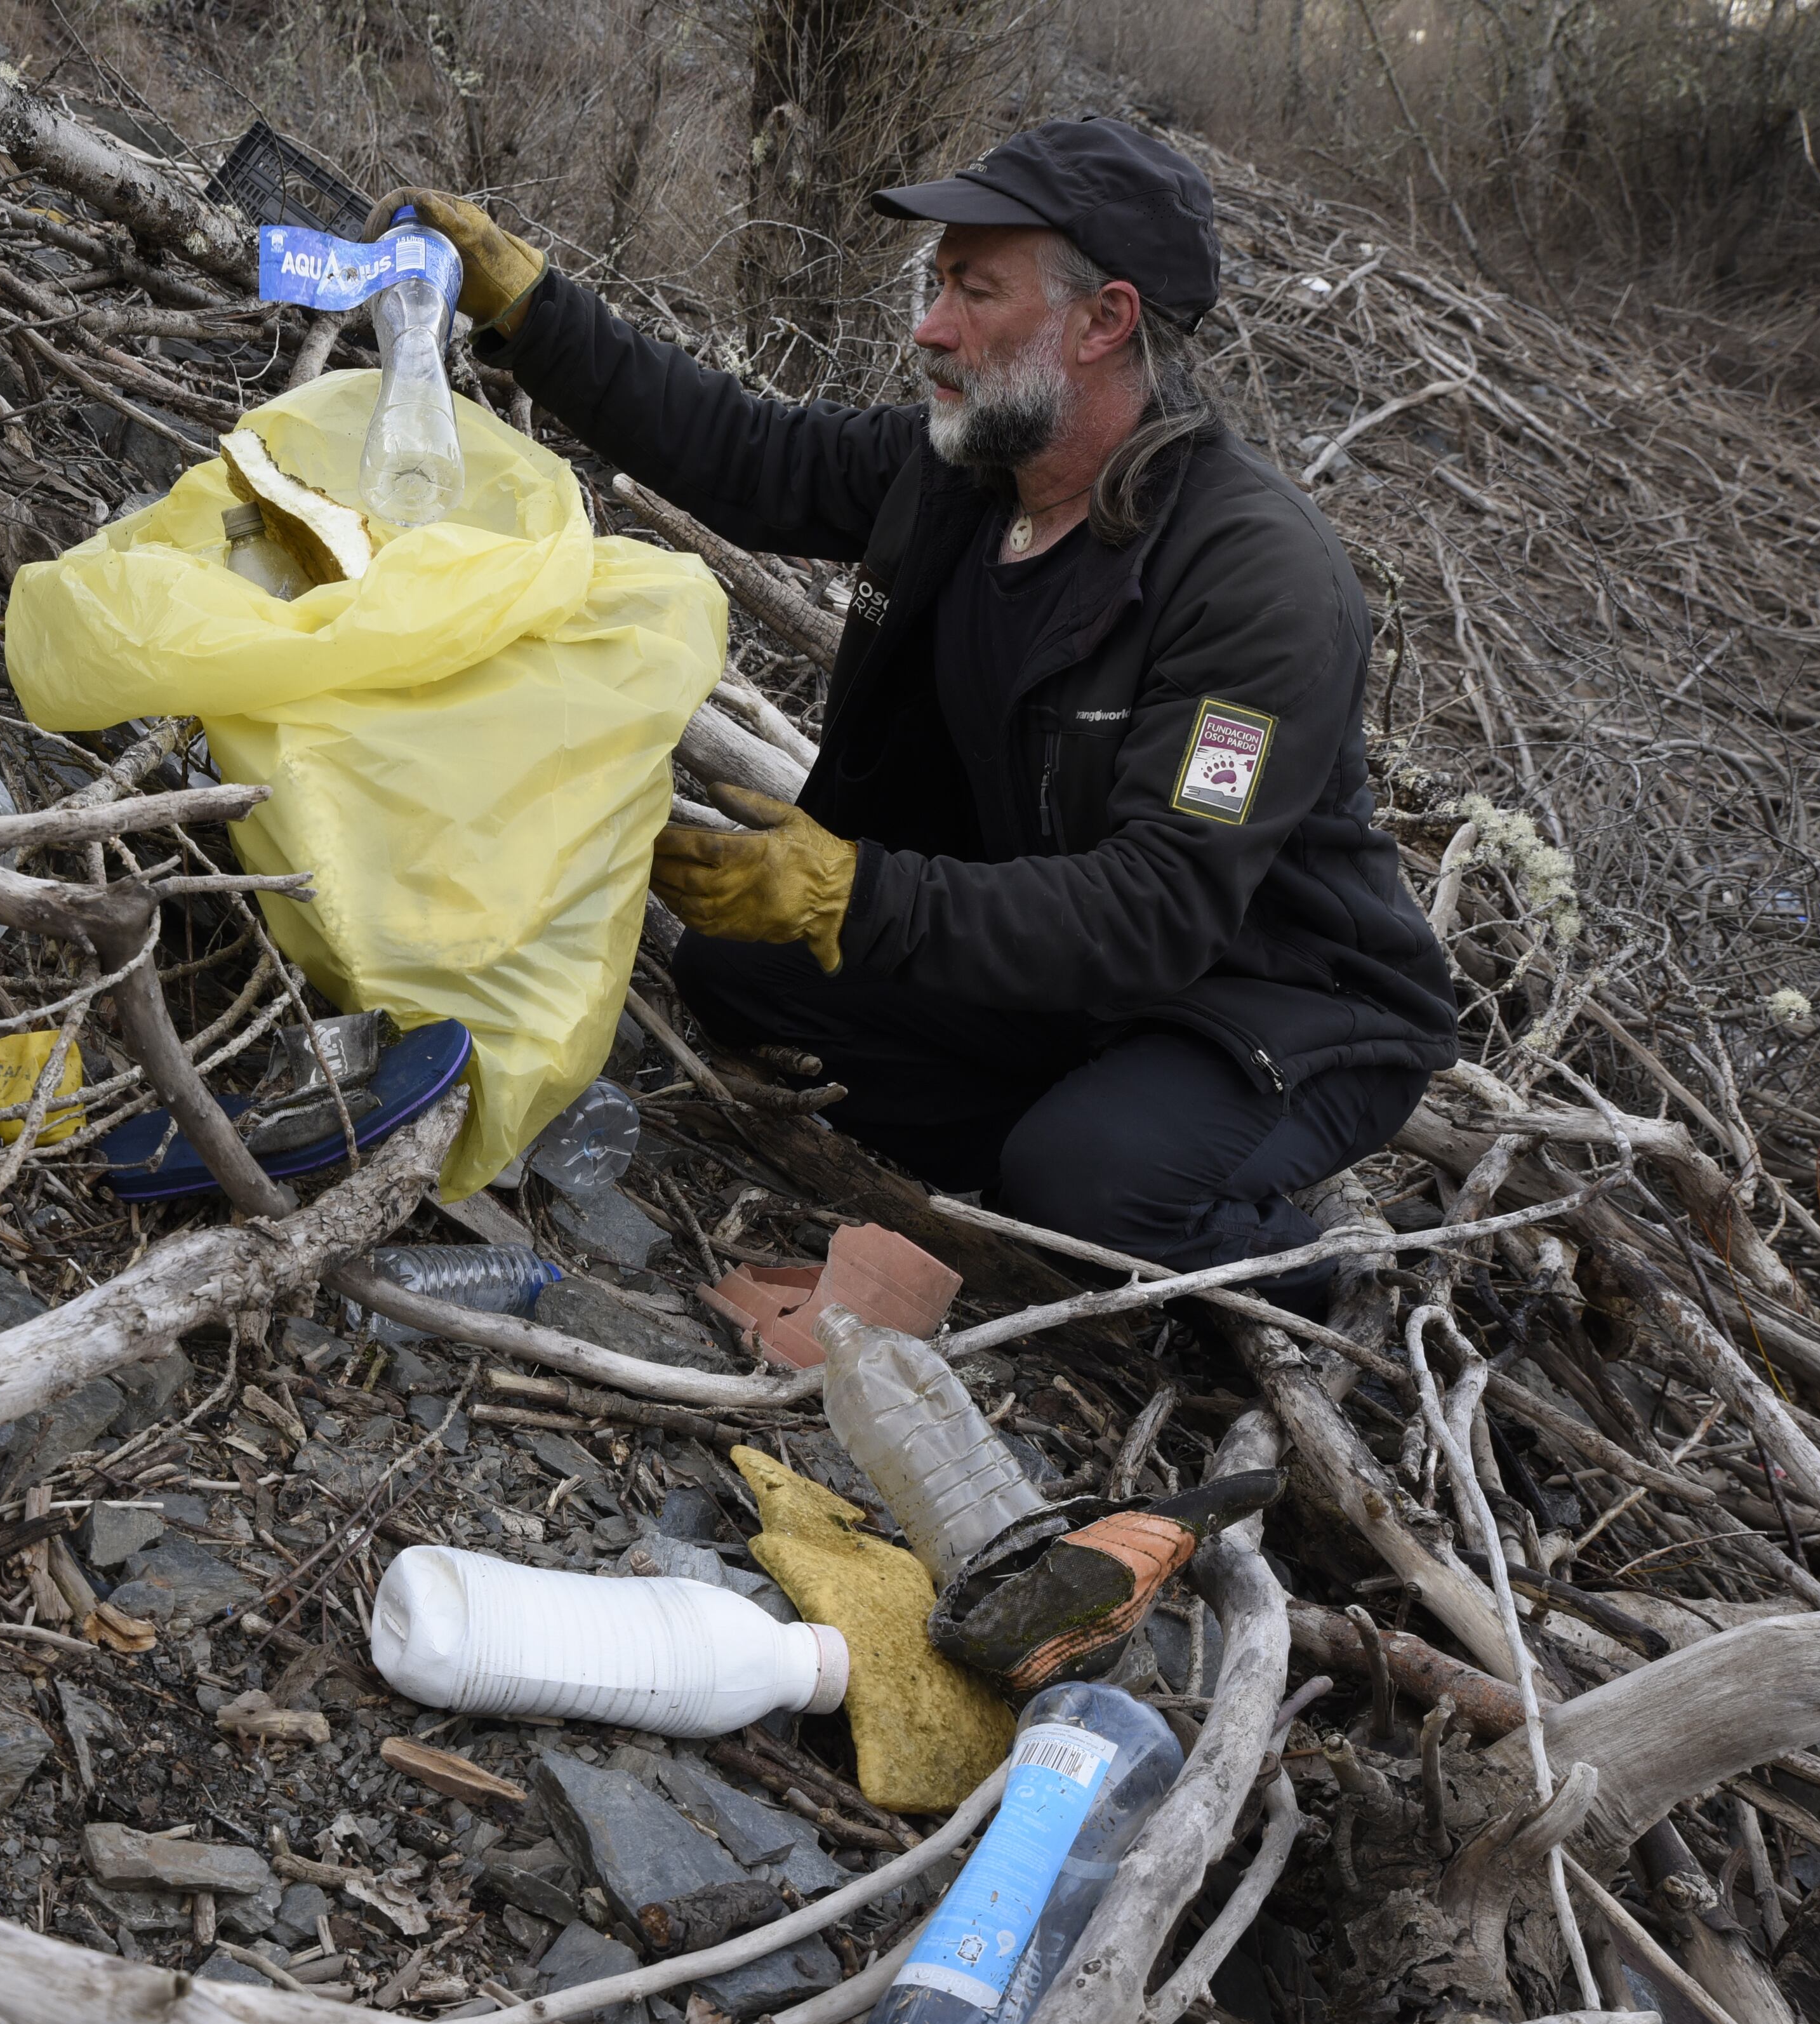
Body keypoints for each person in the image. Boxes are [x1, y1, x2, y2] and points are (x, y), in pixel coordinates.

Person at [387, 120, 1456, 1313]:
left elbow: (1163, 907)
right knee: (746, 976)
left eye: (974, 290)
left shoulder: (1257, 584)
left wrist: (862, 893)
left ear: (1104, 322)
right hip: (1070, 971)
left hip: (1273, 1005)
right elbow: (748, 456)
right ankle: (1063, 1150)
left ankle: (1346, 1277)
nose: (931, 327)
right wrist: (533, 310)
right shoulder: (968, 471)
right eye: (936, 283)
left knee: (1088, 1190)